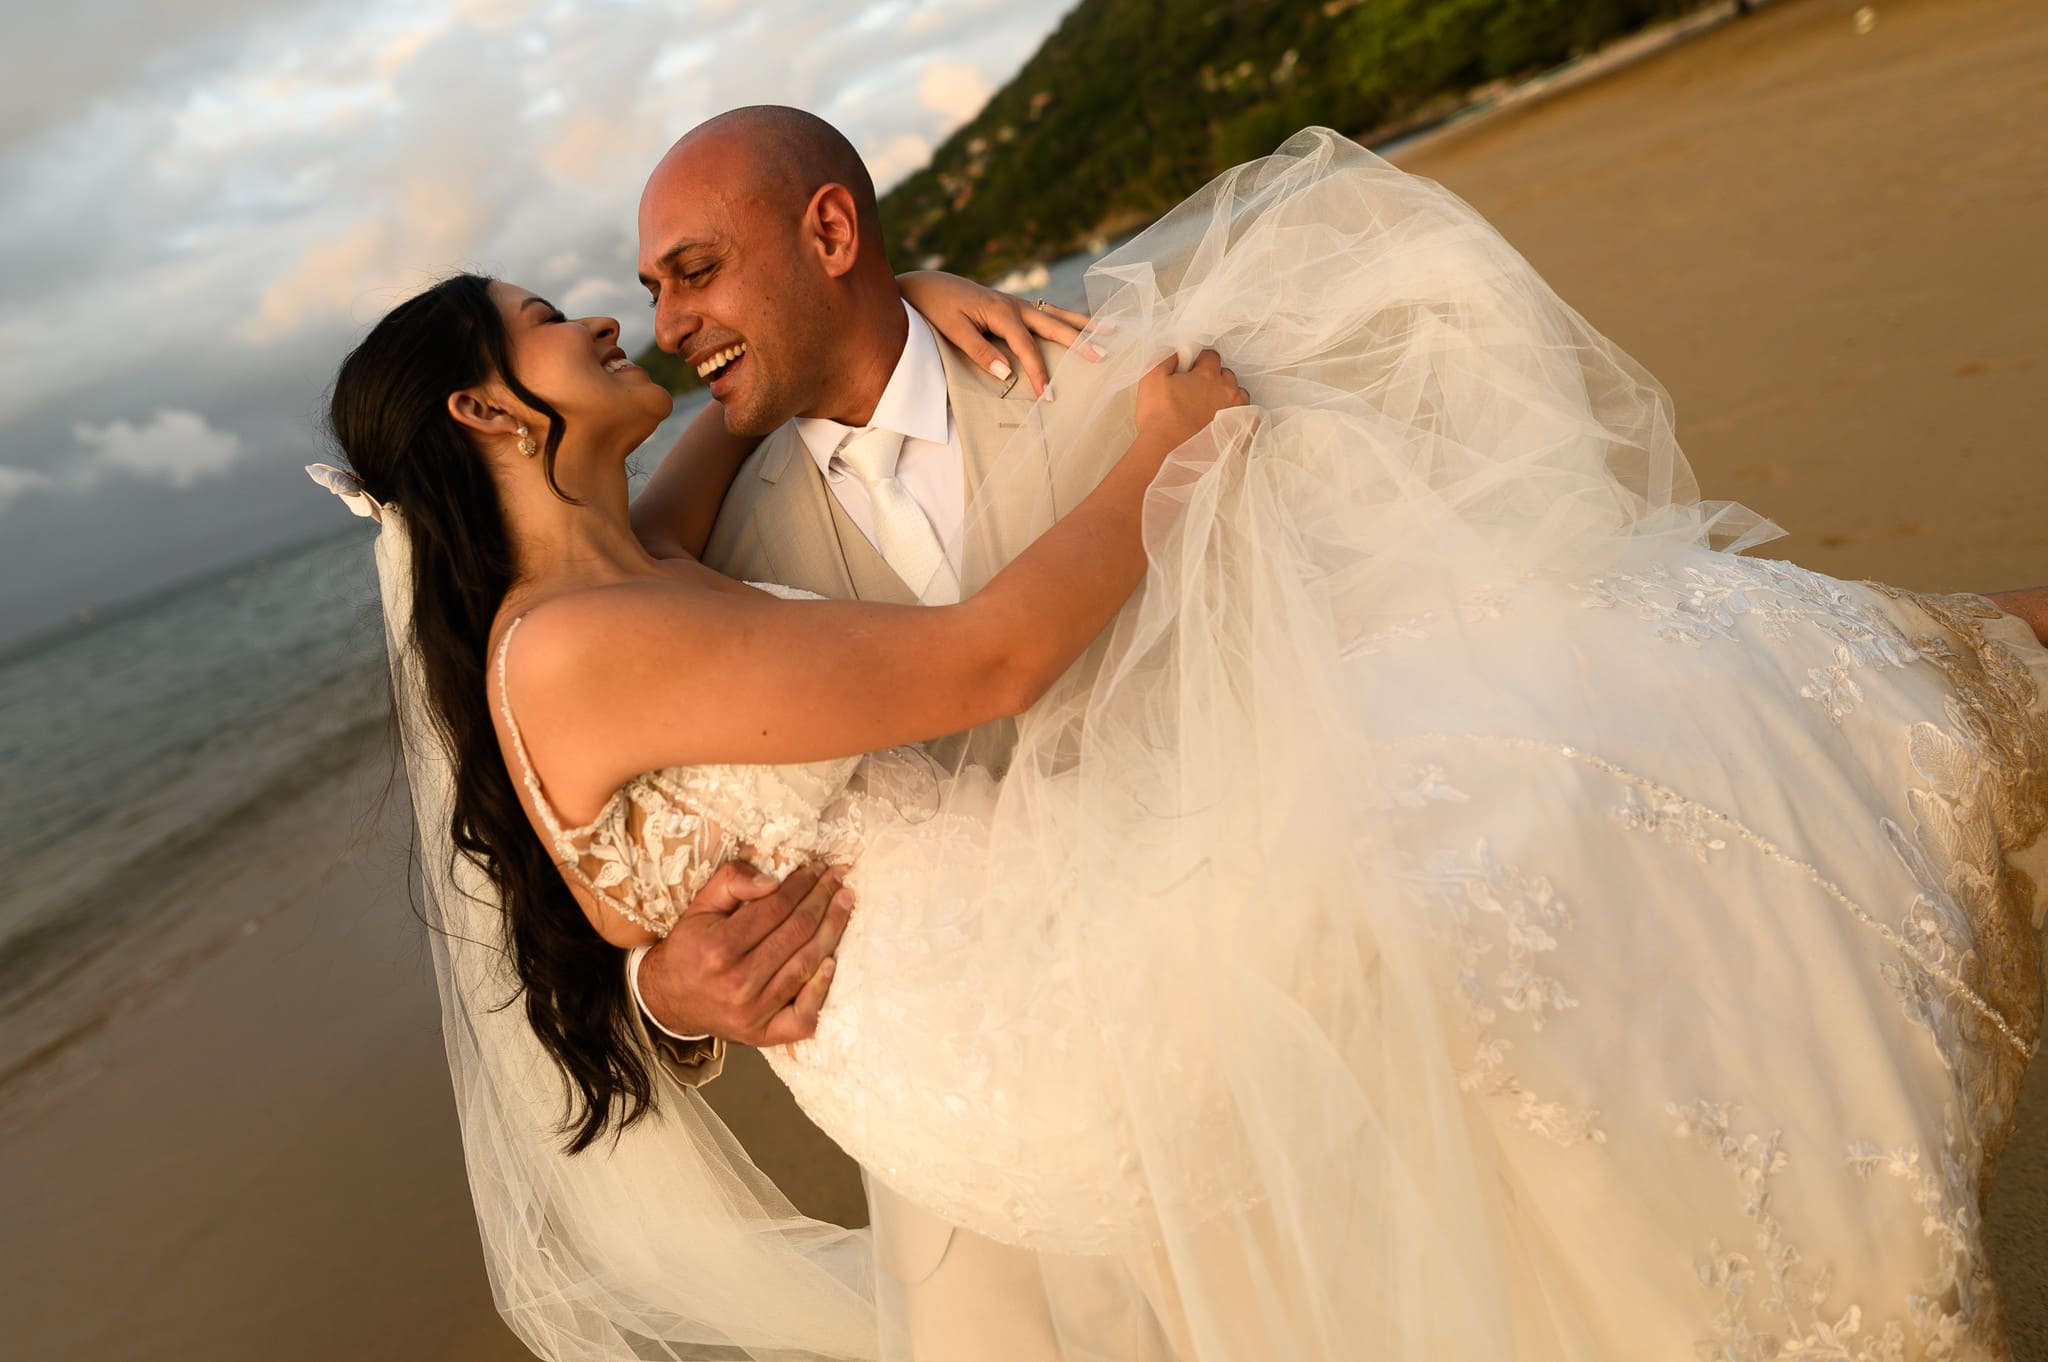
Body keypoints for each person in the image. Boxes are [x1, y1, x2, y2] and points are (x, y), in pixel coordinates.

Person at [315, 122, 2047, 1362]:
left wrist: (906, 295)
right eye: (588, 309)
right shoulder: (629, 607)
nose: (641, 321)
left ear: (826, 236)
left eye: (690, 274)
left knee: (1564, 787)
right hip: (1009, 1041)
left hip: (1111, 926)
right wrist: (668, 989)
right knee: (1531, 789)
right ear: (488, 406)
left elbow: (736, 428)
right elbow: (976, 663)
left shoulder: (739, 503)